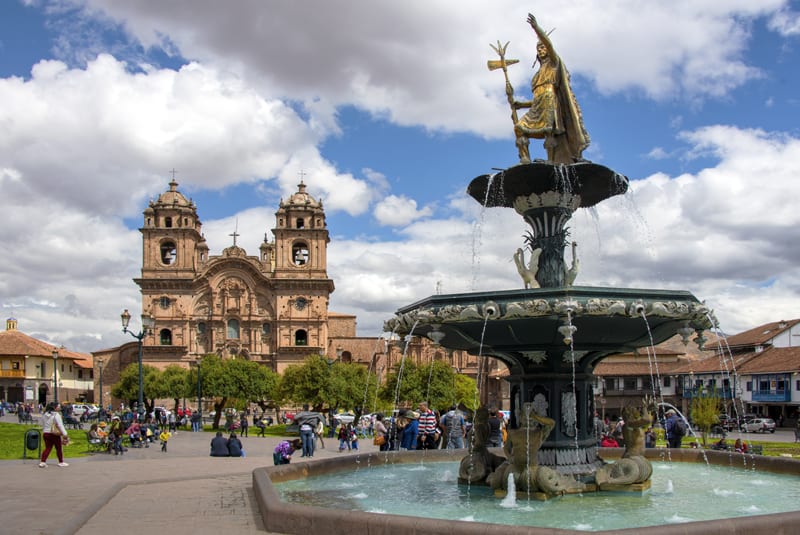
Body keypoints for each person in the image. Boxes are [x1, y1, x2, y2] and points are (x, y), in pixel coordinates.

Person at [513, 13, 589, 164]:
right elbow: (536, 99)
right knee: (519, 128)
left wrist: (536, 28)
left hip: (550, 101)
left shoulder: (554, 63)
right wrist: (521, 105)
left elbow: (549, 44)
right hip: (539, 104)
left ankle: (551, 160)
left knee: (549, 131)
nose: (541, 50)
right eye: (538, 48)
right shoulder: (537, 75)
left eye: (542, 47)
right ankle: (525, 158)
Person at [39, 402, 69, 467]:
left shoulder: (44, 414)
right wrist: (65, 434)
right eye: (58, 407)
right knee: (58, 448)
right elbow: (60, 425)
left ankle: (42, 462)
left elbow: (43, 424)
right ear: (54, 408)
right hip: (54, 434)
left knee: (48, 448)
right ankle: (61, 462)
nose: (59, 408)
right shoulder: (56, 415)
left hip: (46, 433)